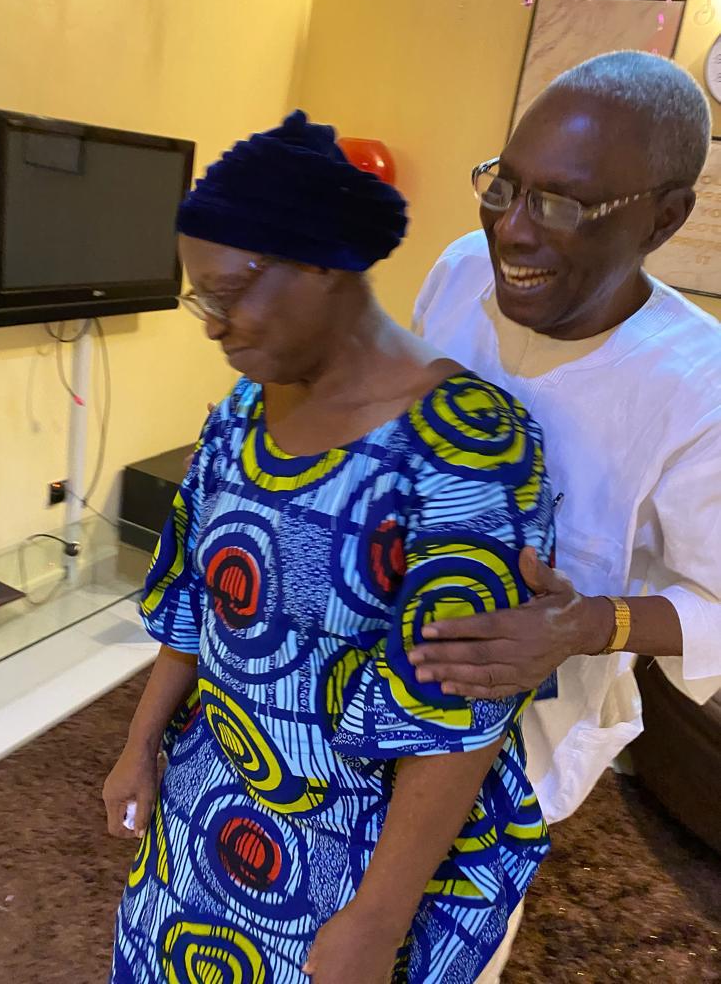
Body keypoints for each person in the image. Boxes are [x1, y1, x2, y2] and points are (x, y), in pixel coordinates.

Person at [103, 111, 555, 983]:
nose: (213, 324)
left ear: (319, 263)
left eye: (227, 294)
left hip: (355, 851)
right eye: (201, 300)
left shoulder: (468, 447)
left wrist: (376, 921)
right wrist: (138, 744)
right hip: (209, 796)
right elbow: (197, 599)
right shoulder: (240, 414)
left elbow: (460, 717)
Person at [410, 51, 721, 825]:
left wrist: (590, 624)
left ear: (665, 218)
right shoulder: (459, 272)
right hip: (374, 678)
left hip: (521, 747)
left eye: (562, 204)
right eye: (503, 186)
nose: (510, 231)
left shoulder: (700, 388)